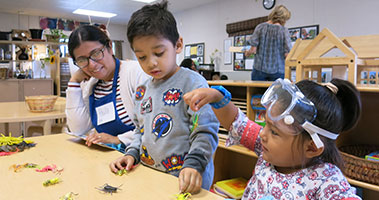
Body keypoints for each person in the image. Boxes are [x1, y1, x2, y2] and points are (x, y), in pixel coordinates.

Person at [183, 78, 362, 199]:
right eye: (265, 124)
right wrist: (216, 97)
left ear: (312, 148)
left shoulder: (327, 181)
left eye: (274, 132)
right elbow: (236, 122)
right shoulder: (267, 149)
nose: (263, 133)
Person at [109, 0, 219, 194]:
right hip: (150, 178)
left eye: (159, 53)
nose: (151, 63)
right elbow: (139, 131)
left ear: (178, 45)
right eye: (142, 57)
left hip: (186, 182)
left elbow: (205, 131)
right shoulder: (142, 89)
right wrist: (132, 153)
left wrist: (194, 165)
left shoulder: (193, 83)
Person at [66, 25, 149, 151]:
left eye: (96, 53)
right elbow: (78, 129)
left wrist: (118, 140)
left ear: (109, 47)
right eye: (82, 60)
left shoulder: (136, 73)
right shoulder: (90, 85)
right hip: (109, 158)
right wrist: (74, 82)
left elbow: (152, 126)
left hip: (140, 155)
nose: (92, 65)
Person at [245, 5, 292, 81]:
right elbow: (287, 54)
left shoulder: (260, 27)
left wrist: (247, 53)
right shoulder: (284, 31)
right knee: (276, 92)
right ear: (283, 18)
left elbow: (253, 50)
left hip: (259, 68)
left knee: (256, 91)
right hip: (278, 70)